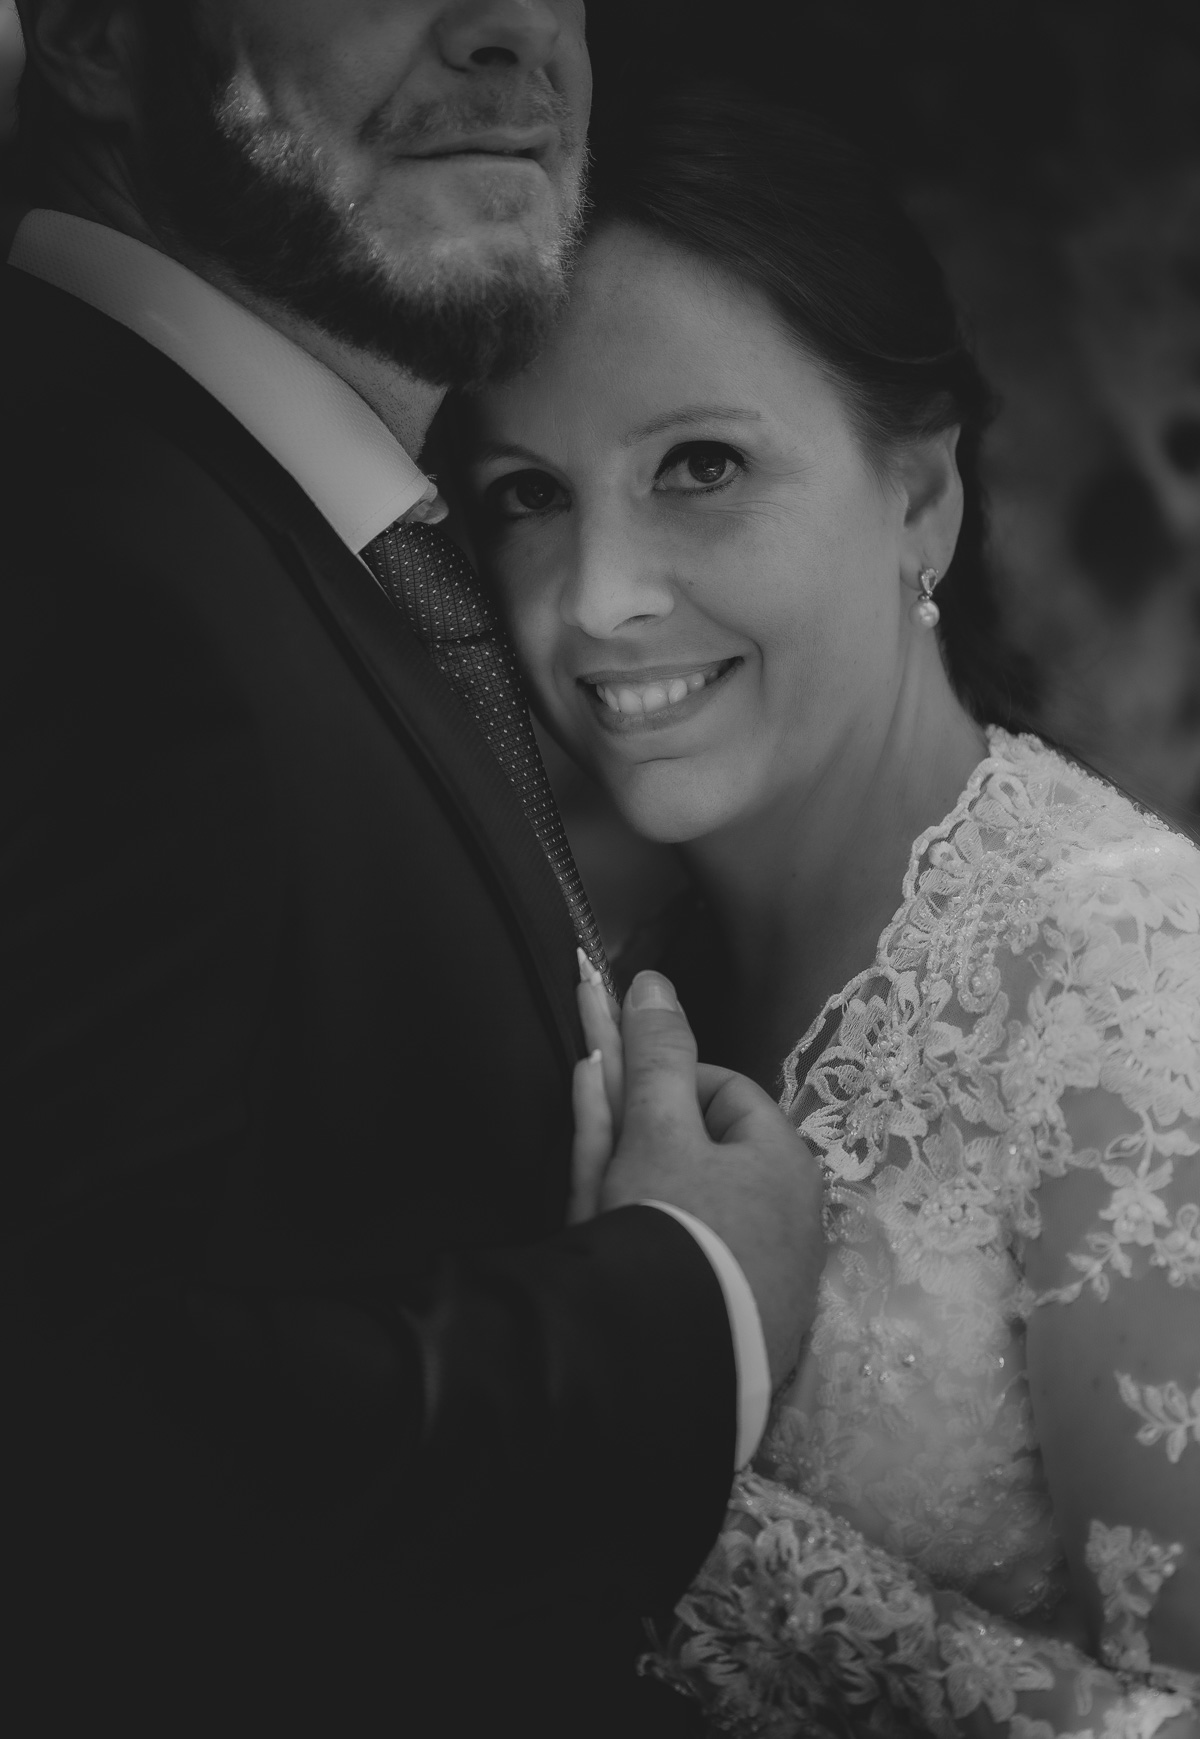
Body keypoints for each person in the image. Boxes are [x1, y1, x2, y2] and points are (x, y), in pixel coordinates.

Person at [0, 12, 825, 1735]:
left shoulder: (286, 528)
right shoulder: (69, 542)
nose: (513, 28)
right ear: (88, 32)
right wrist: (688, 1302)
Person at [458, 84, 1200, 1735]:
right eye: (526, 493)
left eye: (699, 465)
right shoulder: (594, 953)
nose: (597, 601)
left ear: (921, 498)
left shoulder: (1129, 983)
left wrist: (665, 1481)